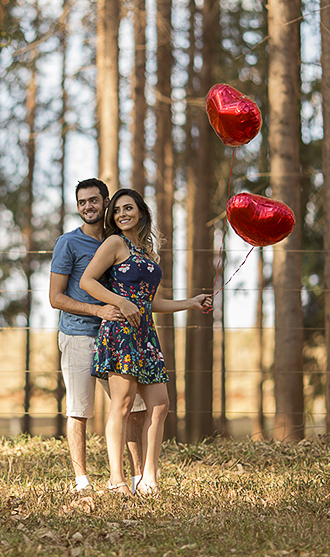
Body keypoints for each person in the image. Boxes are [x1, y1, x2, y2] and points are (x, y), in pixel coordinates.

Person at [80, 188, 211, 495]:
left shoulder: (146, 252)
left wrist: (191, 303)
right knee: (122, 405)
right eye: (116, 211)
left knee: (160, 405)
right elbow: (87, 281)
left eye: (128, 208)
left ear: (140, 211)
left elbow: (148, 302)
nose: (122, 214)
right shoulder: (115, 243)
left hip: (145, 335)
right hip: (121, 333)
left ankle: (148, 478)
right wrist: (120, 303)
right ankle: (117, 479)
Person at [49, 178, 147, 493]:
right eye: (82, 202)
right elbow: (56, 298)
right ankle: (82, 481)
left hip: (115, 338)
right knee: (80, 410)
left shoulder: (118, 241)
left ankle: (137, 479)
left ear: (106, 202)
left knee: (134, 407)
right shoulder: (68, 243)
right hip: (78, 336)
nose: (88, 207)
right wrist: (98, 311)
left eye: (93, 200)